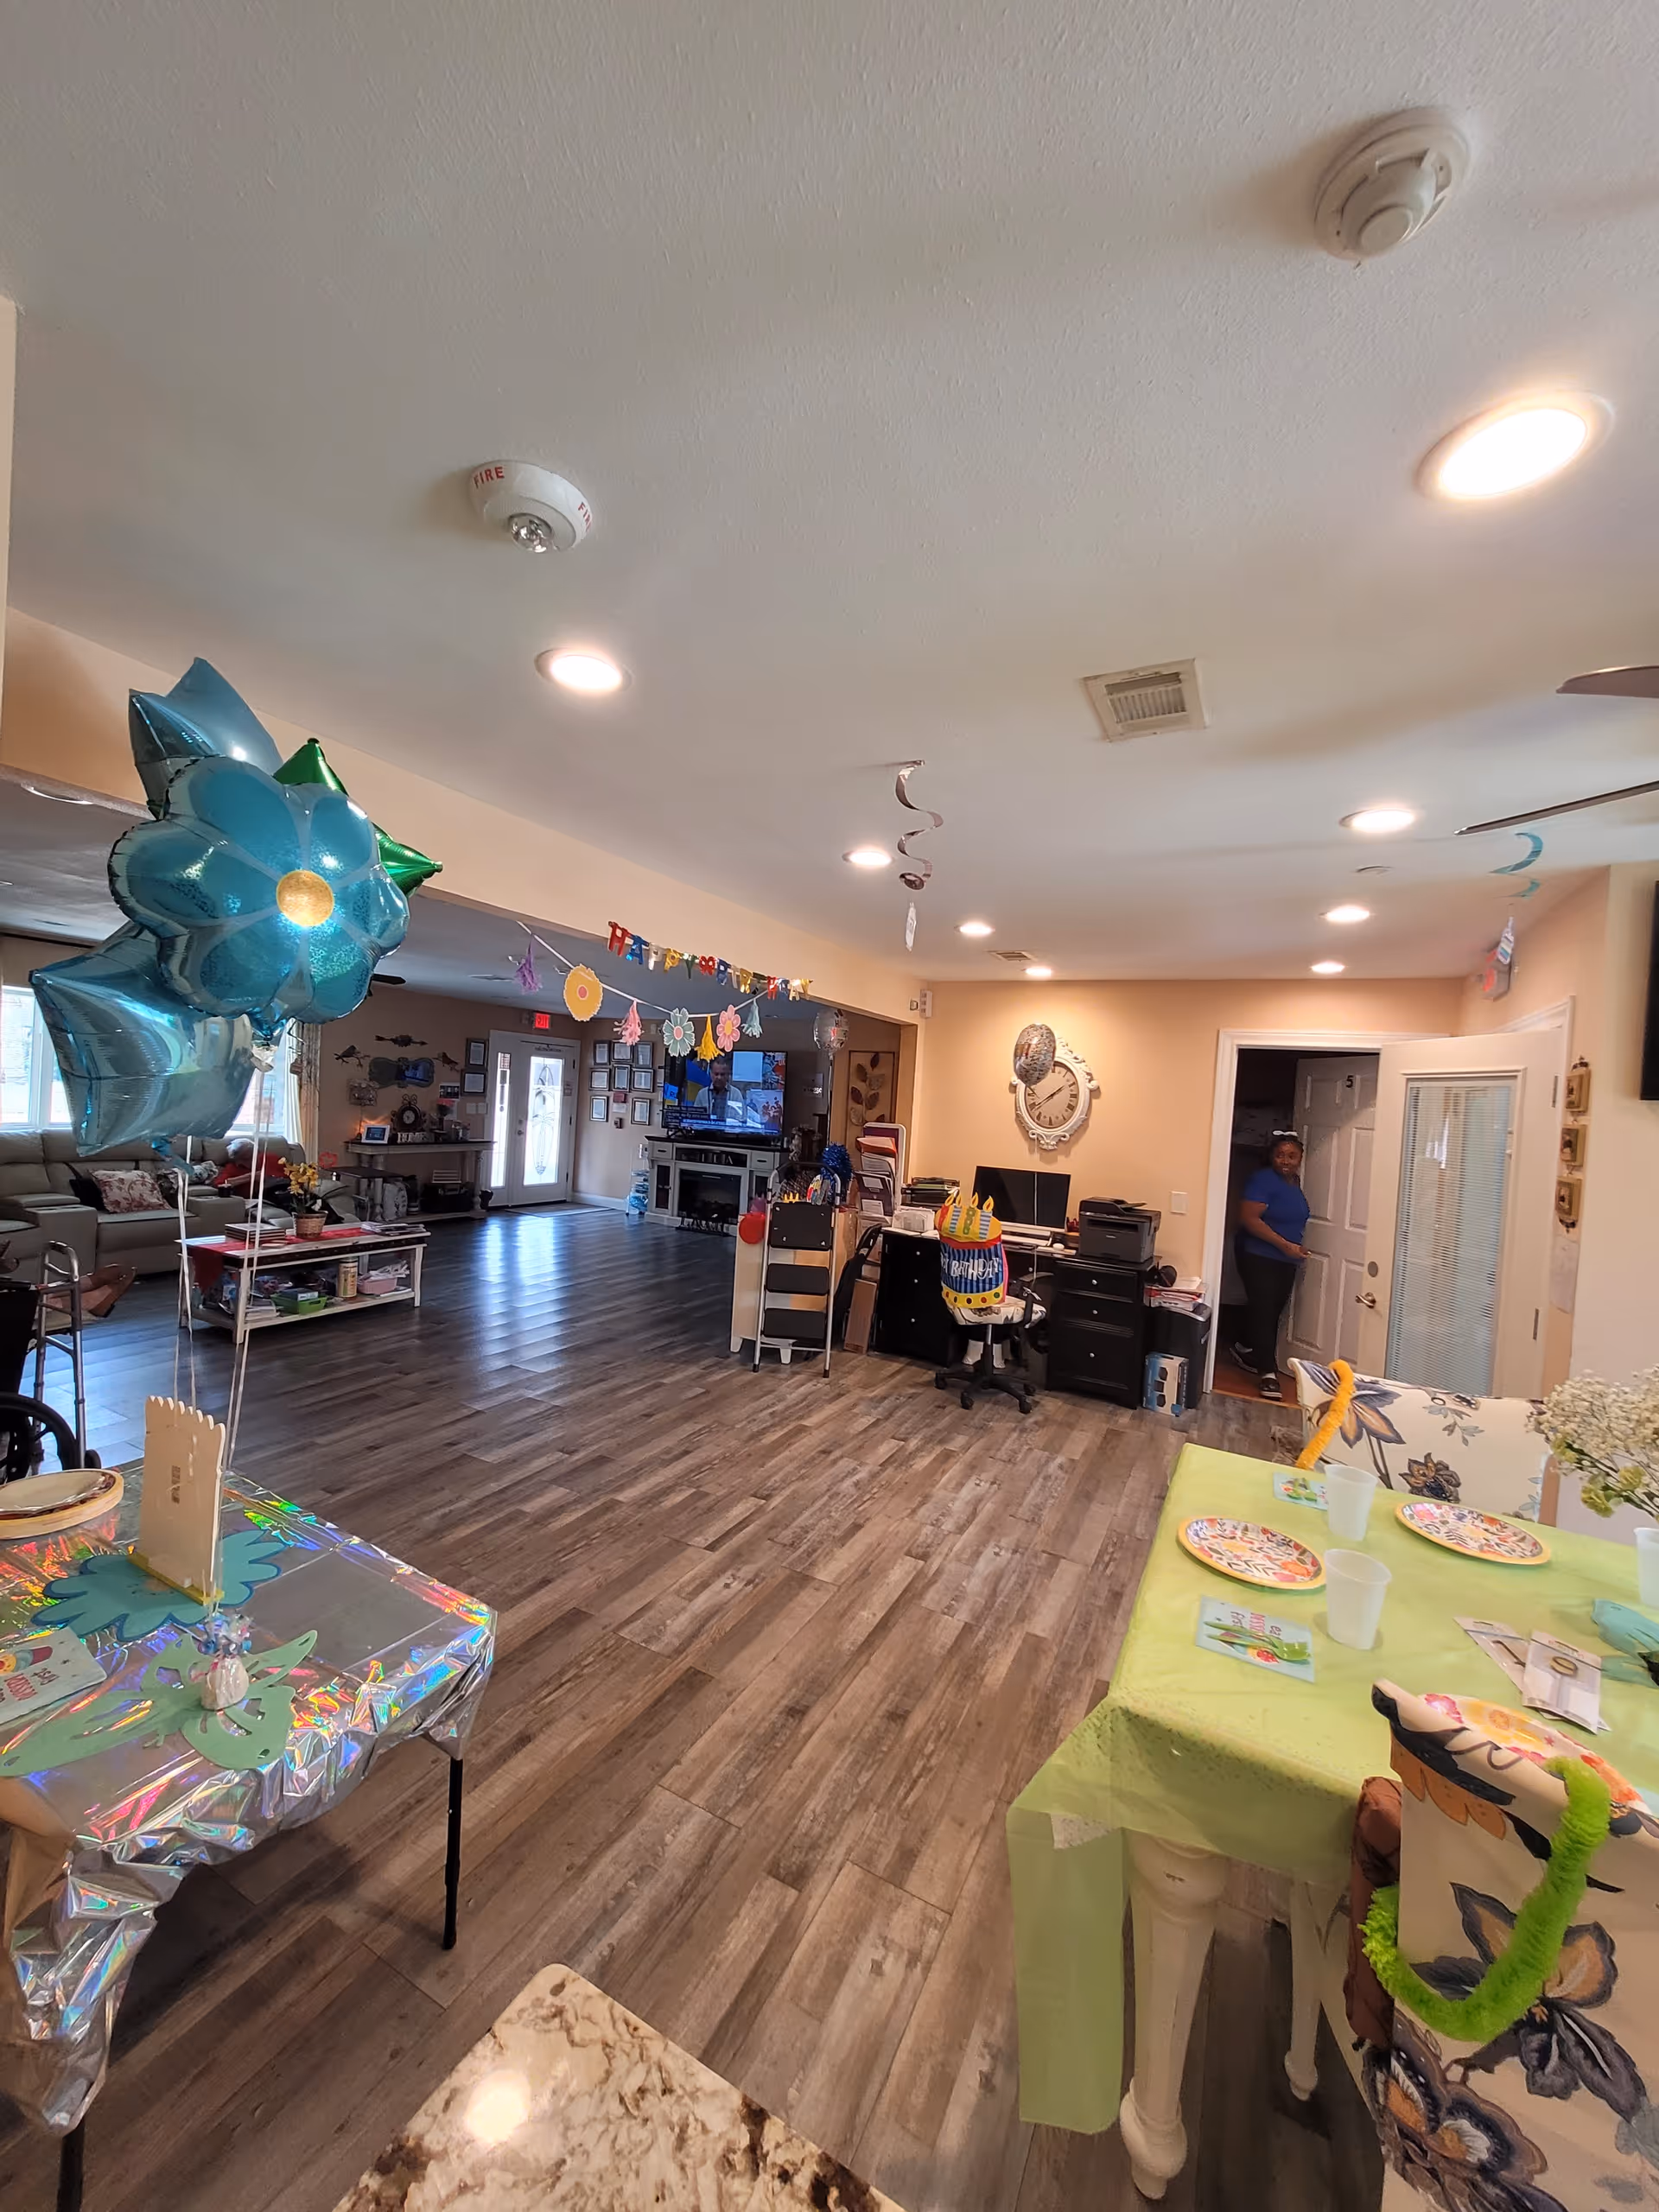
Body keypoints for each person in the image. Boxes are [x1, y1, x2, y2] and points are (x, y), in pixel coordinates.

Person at [1231, 1131, 1310, 1401]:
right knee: (1265, 1310)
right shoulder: (1263, 1179)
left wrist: (1292, 1248)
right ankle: (1268, 1374)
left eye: (1291, 1155)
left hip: (1286, 1258)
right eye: (1280, 1155)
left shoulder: (1294, 1183)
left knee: (1272, 1309)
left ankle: (1247, 1349)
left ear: (1300, 1158)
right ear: (1271, 1157)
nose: (1285, 1160)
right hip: (1258, 1254)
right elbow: (1250, 1219)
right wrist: (1284, 1244)